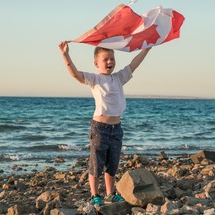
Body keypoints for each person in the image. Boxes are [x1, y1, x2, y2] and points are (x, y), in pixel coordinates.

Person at [58, 41, 151, 206]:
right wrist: (65, 55)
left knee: (112, 164)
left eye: (112, 59)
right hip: (100, 128)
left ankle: (110, 194)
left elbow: (133, 64)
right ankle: (95, 194)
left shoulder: (119, 78)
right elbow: (76, 75)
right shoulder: (95, 79)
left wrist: (146, 48)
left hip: (117, 128)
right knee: (96, 164)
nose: (110, 62)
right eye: (106, 59)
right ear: (96, 63)